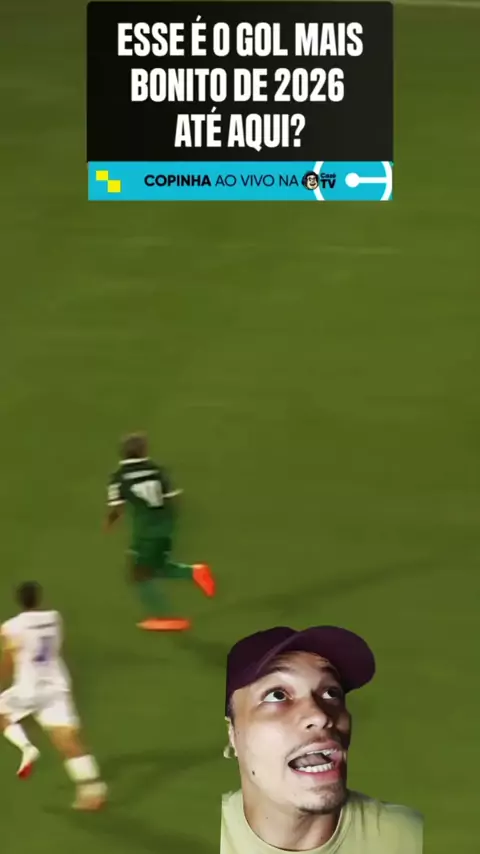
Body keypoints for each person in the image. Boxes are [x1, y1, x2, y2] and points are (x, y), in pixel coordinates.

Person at [221, 625, 423, 853]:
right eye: (277, 695)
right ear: (232, 734)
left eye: (331, 693)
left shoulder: (409, 838)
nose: (320, 716)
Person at [0, 581, 107, 810]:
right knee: (68, 741)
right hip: (56, 687)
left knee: (2, 715)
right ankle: (93, 791)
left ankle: (27, 748)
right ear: (39, 598)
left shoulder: (12, 627)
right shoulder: (54, 618)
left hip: (29, 688)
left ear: (18, 601)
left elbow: (9, 660)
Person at [105, 432, 215, 631]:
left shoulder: (118, 478)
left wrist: (109, 523)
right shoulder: (157, 470)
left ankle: (166, 617)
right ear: (143, 451)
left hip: (145, 532)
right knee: (156, 566)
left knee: (138, 574)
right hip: (165, 527)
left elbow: (117, 509)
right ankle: (195, 572)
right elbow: (174, 499)